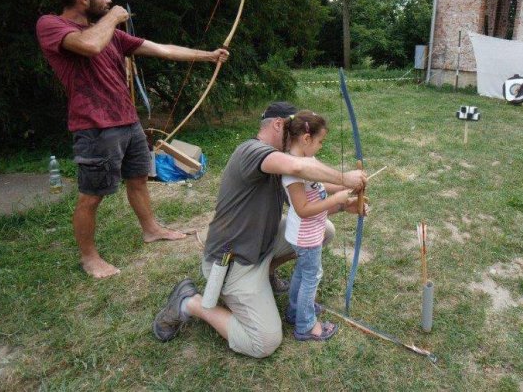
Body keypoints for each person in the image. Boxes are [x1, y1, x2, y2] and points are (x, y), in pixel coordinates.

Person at [36, 0, 229, 279]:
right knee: (92, 195)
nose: (109, 1)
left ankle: (151, 229)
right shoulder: (52, 25)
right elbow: (89, 45)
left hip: (128, 121)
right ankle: (89, 258)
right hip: (96, 127)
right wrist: (113, 16)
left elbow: (163, 49)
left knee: (138, 178)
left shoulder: (111, 35)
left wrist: (209, 56)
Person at [152, 102, 367, 358]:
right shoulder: (253, 151)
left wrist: (342, 205)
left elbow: (304, 205)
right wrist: (344, 178)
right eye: (293, 129)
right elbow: (298, 167)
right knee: (264, 342)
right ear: (277, 124)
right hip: (234, 260)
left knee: (324, 231)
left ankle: (267, 272)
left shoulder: (280, 163)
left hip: (262, 244)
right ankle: (190, 303)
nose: (298, 138)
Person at [282, 110, 351, 341]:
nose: (321, 146)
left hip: (306, 233)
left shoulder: (306, 162)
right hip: (306, 235)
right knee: (311, 276)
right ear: (306, 138)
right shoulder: (292, 172)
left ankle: (295, 312)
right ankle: (305, 325)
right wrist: (336, 200)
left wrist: (344, 188)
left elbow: (320, 185)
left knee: (303, 273)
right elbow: (303, 209)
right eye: (320, 141)